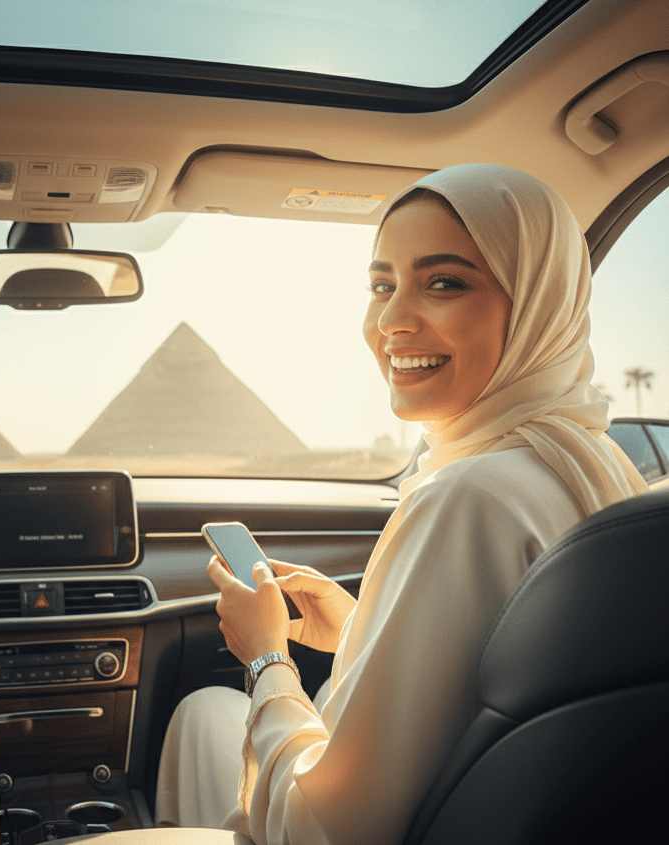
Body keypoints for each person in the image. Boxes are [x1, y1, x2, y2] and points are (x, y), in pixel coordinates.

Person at [154, 163, 649, 845]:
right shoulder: (596, 464)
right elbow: (517, 679)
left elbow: (320, 829)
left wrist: (266, 655)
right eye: (382, 285)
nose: (390, 320)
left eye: (443, 283)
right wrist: (360, 630)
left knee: (202, 712)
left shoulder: (465, 498)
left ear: (539, 303)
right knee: (209, 712)